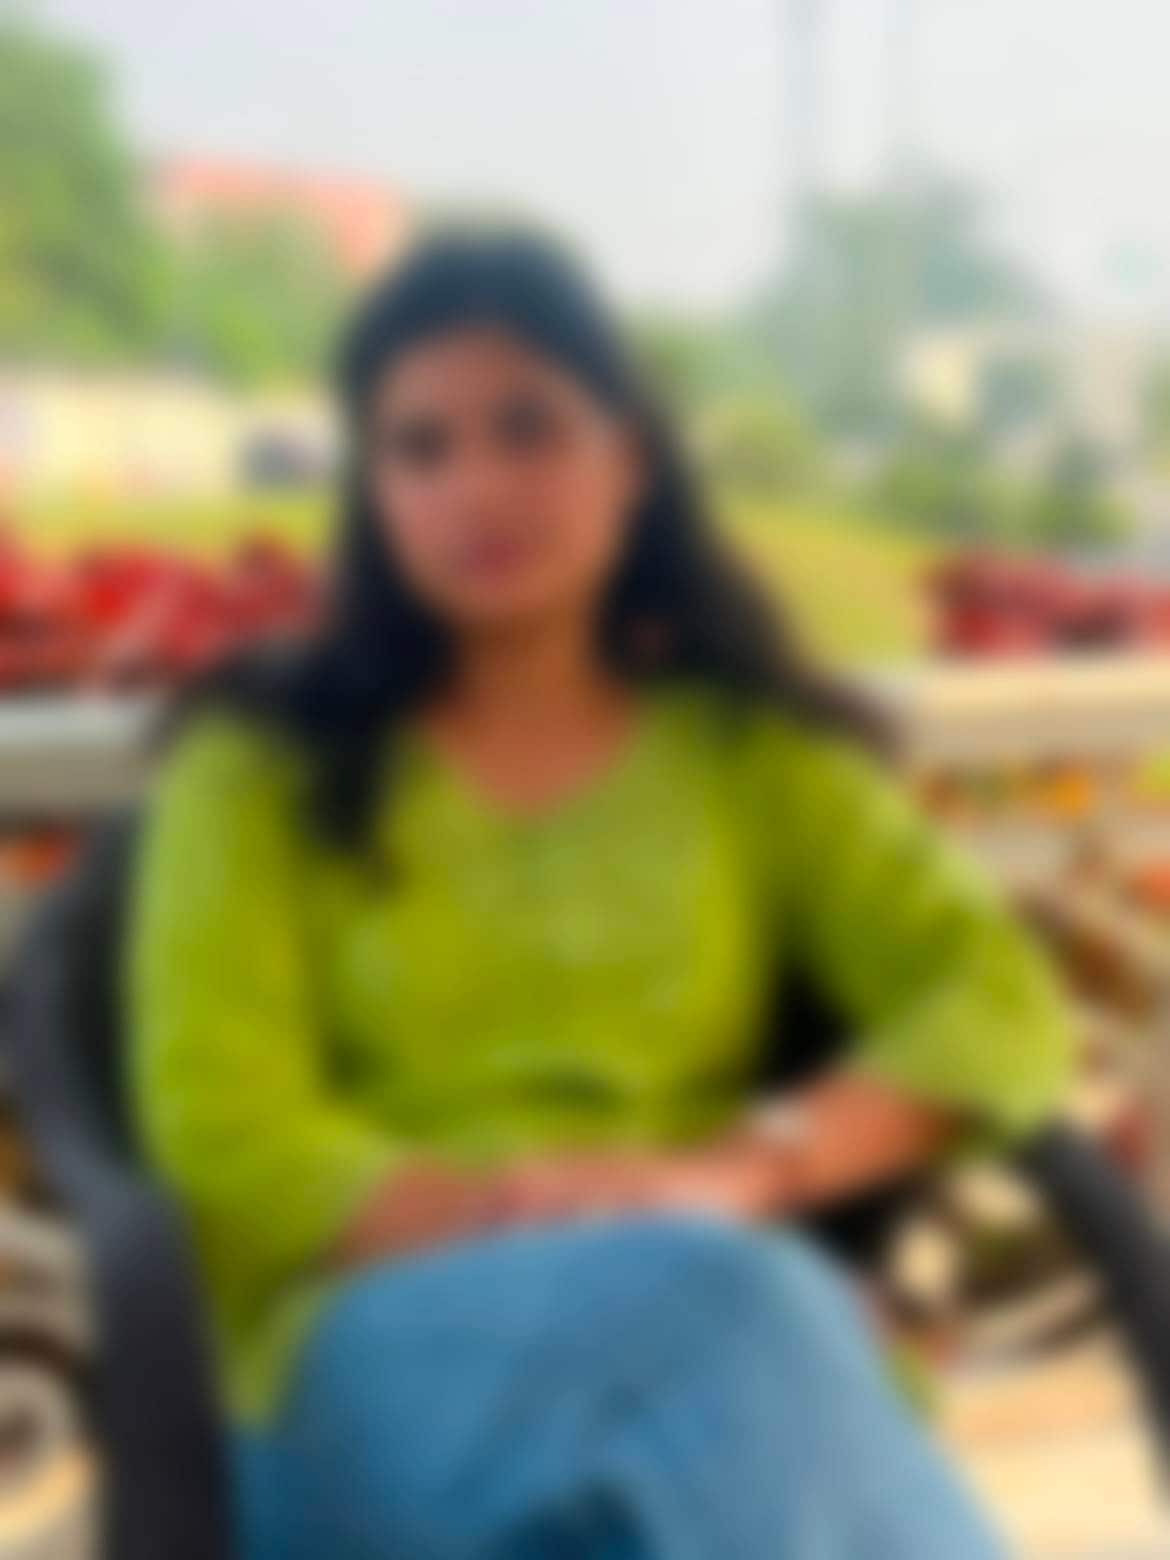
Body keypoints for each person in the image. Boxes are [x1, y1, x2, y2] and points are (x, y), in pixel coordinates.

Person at [127, 228, 1070, 1558]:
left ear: (627, 457)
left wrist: (739, 1177)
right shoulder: (259, 766)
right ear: (373, 492)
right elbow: (222, 1130)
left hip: (723, 1356)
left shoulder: (749, 756)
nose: (475, 486)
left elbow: (994, 997)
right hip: (365, 1375)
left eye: (527, 427)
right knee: (710, 1328)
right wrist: (566, 1227)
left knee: (700, 1395)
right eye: (420, 448)